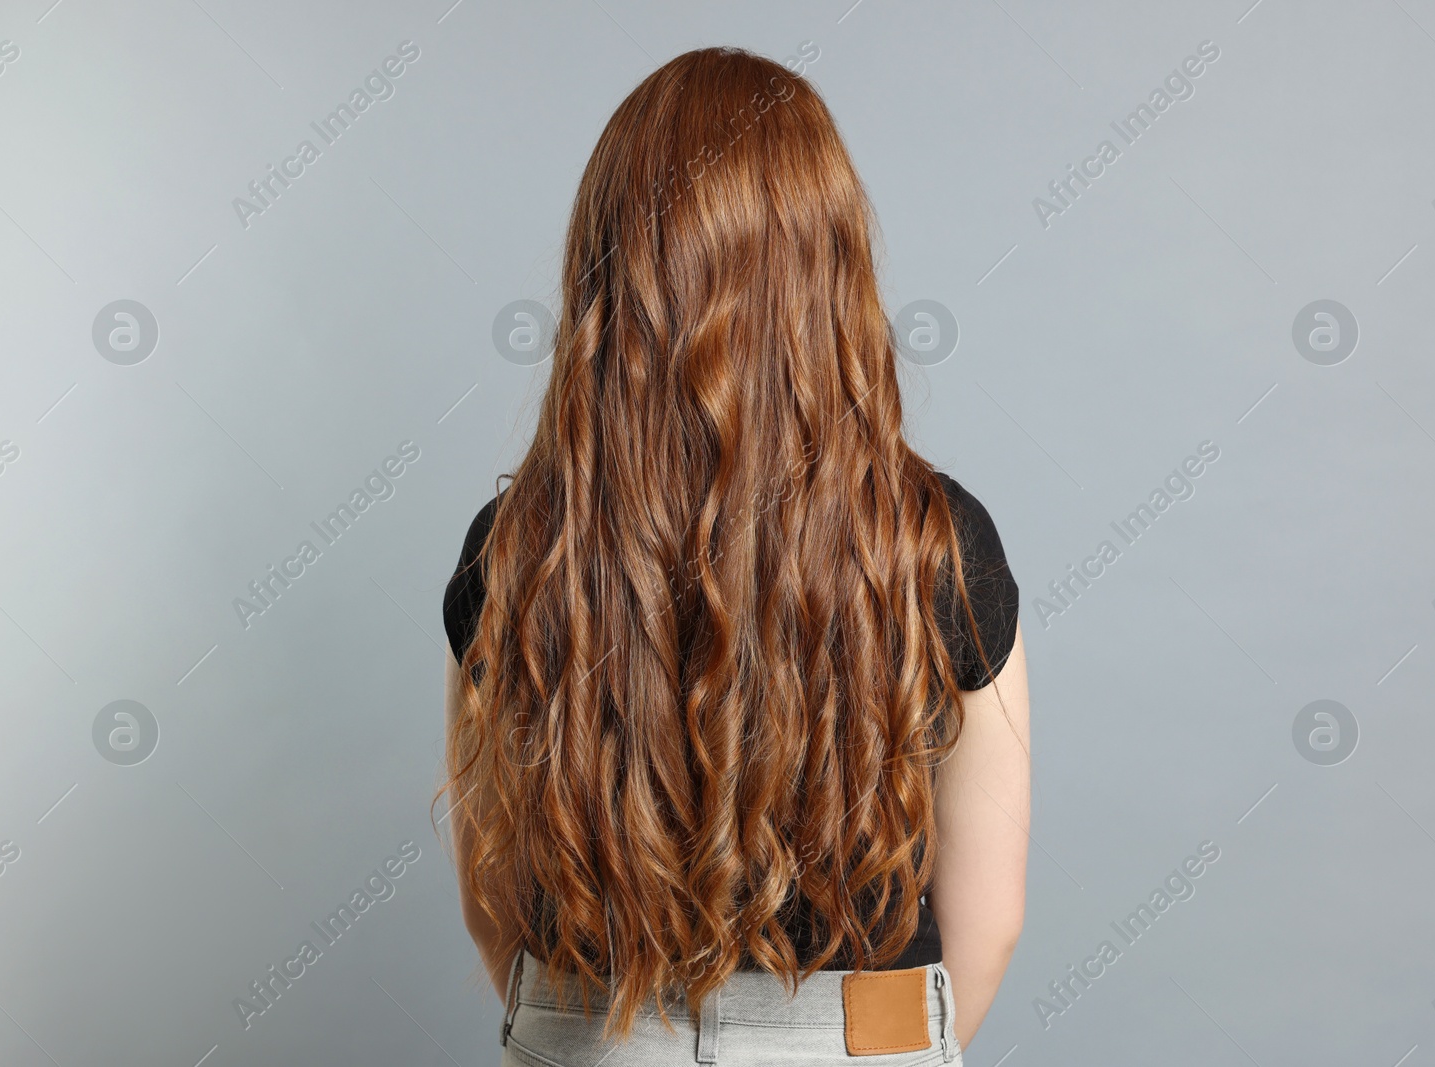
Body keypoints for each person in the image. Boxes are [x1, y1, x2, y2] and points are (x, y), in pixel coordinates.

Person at [438, 45, 1029, 1066]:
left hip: (592, 1033)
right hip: (858, 1044)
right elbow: (990, 920)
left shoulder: (518, 547)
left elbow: (493, 905)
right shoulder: (936, 541)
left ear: (609, 263)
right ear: (829, 263)